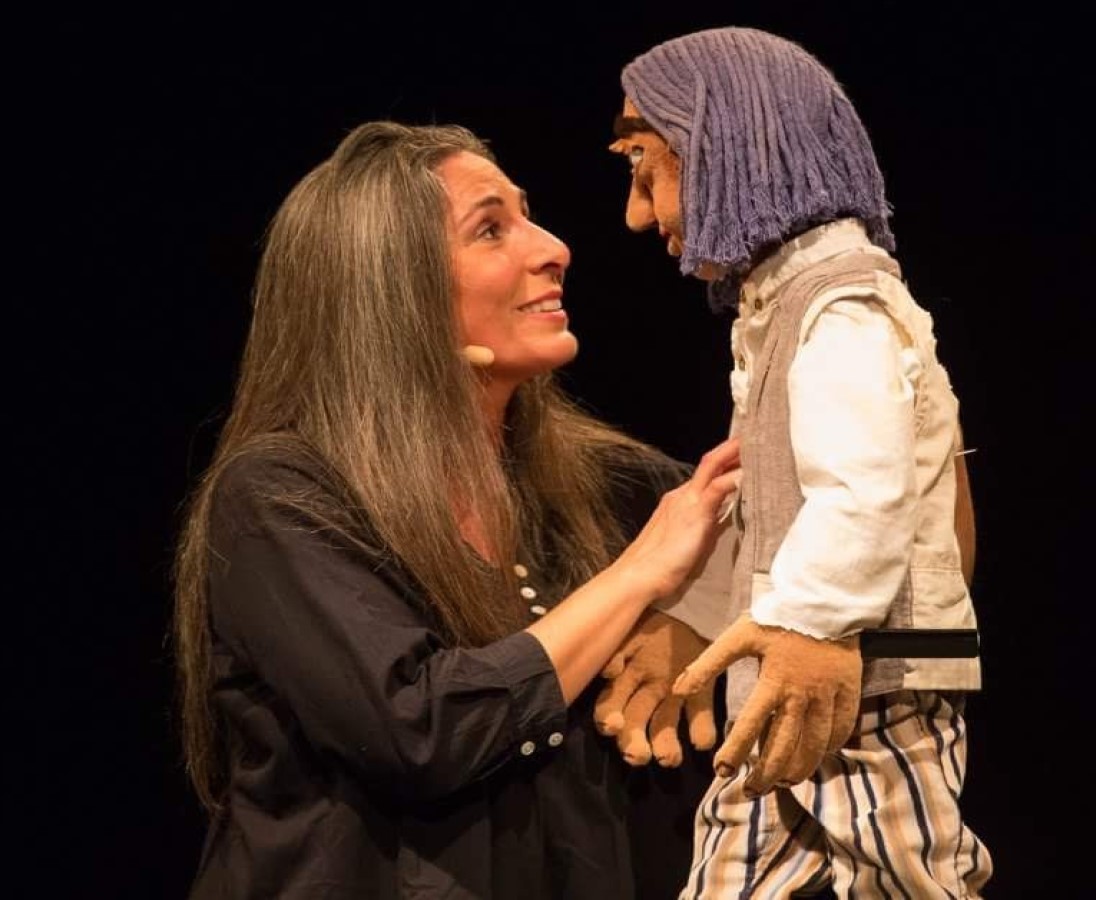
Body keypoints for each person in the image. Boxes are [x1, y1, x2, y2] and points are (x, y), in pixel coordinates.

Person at [170, 120, 741, 899]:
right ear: (391, 291)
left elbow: (845, 536)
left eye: (528, 216)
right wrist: (639, 576)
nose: (554, 248)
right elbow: (417, 728)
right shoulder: (281, 495)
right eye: (490, 229)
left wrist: (702, 617)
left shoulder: (607, 482)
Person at [598, 27, 992, 898]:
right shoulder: (779, 313)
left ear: (721, 146)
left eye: (644, 164)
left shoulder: (841, 305)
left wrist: (811, 625)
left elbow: (866, 490)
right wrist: (705, 618)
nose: (637, 213)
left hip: (867, 689)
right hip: (790, 688)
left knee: (904, 878)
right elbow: (774, 505)